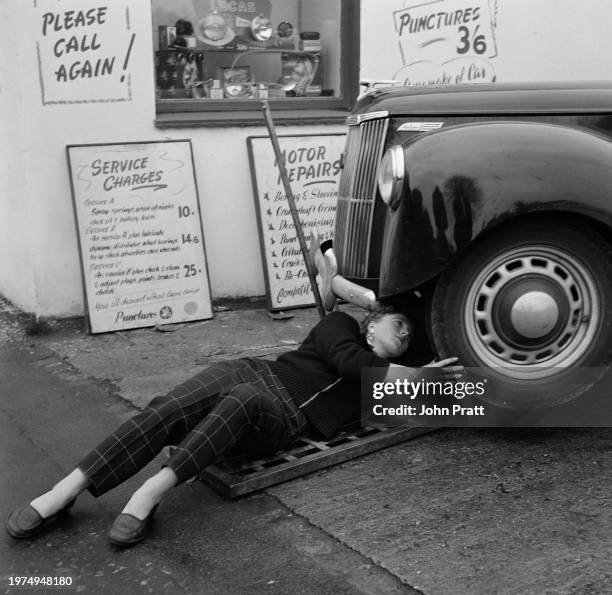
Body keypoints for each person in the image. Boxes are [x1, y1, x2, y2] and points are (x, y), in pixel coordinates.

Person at [6, 304, 462, 548]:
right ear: (373, 322)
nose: (404, 336)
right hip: (254, 370)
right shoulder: (338, 324)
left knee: (243, 402)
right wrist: (416, 375)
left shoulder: (388, 385)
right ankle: (65, 490)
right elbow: (349, 361)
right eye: (399, 324)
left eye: (408, 339)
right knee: (167, 409)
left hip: (283, 417)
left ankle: (149, 495)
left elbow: (466, 399)